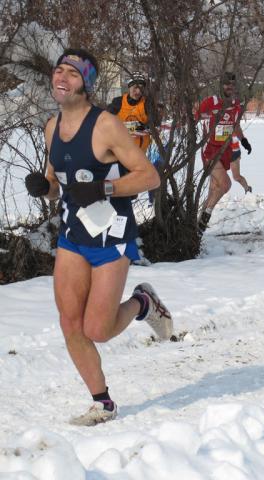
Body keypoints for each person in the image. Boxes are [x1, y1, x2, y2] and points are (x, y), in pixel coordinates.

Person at [24, 49, 173, 426]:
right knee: (70, 323)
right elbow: (58, 186)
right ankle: (102, 402)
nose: (63, 77)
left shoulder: (106, 125)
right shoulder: (51, 127)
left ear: (86, 84)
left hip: (111, 238)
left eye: (73, 74)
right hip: (74, 235)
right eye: (59, 70)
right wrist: (45, 187)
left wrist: (106, 189)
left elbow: (149, 177)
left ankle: (143, 302)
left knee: (97, 330)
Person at [196, 72, 252, 233]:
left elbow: (235, 126)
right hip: (211, 149)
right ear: (221, 85)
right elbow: (195, 115)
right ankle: (206, 215)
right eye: (227, 84)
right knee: (225, 184)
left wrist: (244, 140)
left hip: (225, 150)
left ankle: (198, 224)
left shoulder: (236, 104)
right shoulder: (212, 102)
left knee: (215, 188)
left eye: (233, 85)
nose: (230, 88)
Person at [107, 71, 151, 152]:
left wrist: (137, 127)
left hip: (141, 153)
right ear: (129, 87)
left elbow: (154, 126)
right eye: (135, 87)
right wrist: (133, 127)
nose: (138, 91)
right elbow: (105, 123)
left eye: (141, 88)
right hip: (121, 152)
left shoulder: (147, 104)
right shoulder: (118, 102)